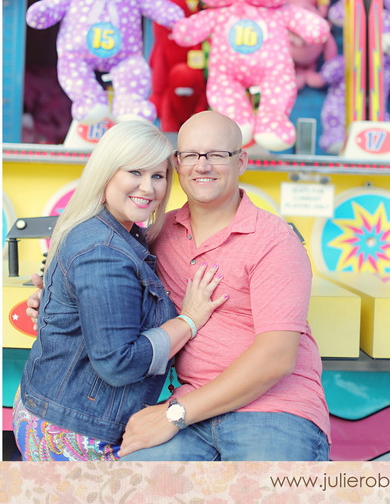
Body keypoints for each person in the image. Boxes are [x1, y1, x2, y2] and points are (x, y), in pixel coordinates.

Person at [27, 112, 330, 461]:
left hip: (272, 409)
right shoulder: (156, 234)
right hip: (186, 410)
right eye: (191, 155)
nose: (203, 166)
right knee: (123, 490)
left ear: (242, 161)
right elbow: (105, 284)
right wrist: (60, 302)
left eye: (218, 154)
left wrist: (175, 413)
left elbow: (276, 358)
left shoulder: (274, 240)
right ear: (178, 162)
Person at [13, 120, 226, 461]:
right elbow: (117, 362)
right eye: (135, 172)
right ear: (107, 173)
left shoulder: (117, 231)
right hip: (73, 428)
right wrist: (190, 319)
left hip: (59, 407)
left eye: (158, 176)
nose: (149, 187)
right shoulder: (104, 250)